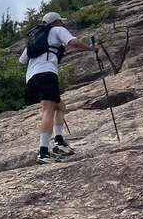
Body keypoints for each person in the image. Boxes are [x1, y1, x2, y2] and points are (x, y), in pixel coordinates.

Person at [19, 12, 99, 164]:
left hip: (31, 77)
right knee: (48, 109)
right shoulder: (57, 30)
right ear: (56, 22)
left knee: (60, 106)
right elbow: (73, 42)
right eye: (61, 22)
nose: (63, 24)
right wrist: (91, 48)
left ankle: (59, 141)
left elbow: (22, 60)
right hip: (47, 72)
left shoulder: (35, 37)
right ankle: (43, 152)